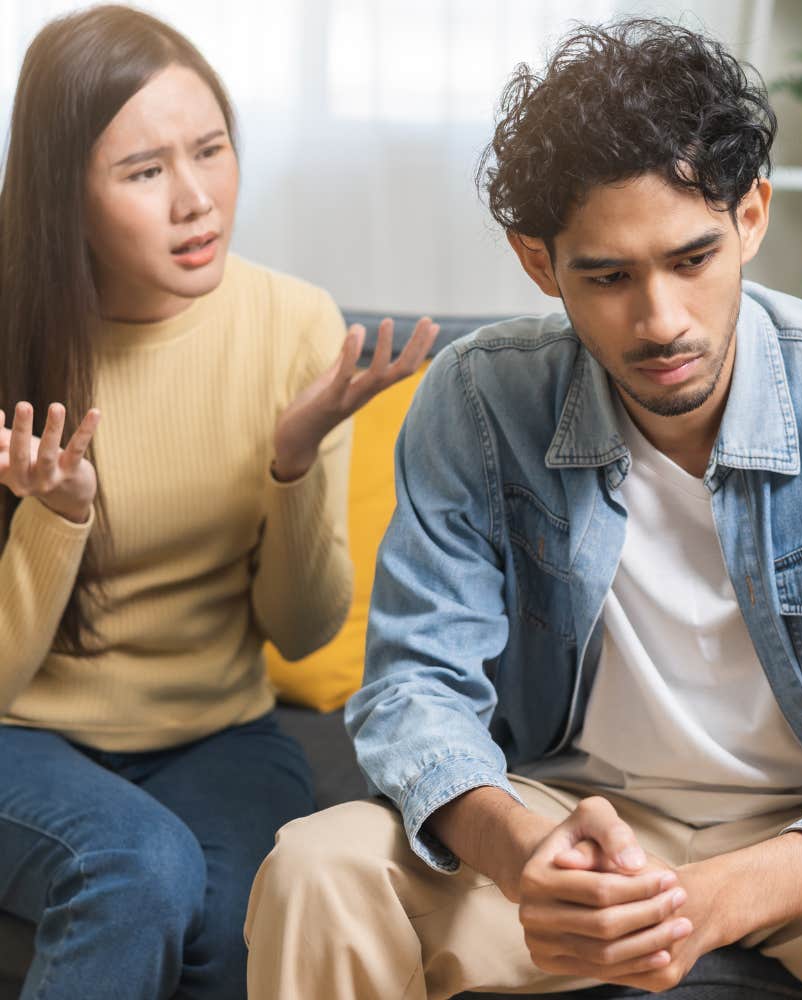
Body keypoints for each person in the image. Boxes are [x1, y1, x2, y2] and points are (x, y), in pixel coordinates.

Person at [244, 18, 802, 1000]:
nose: (659, 322)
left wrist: (724, 895)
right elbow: (415, 688)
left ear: (752, 217)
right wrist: (525, 851)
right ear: (538, 262)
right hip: (572, 819)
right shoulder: (479, 400)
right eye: (607, 277)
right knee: (321, 870)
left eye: (690, 259)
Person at [0, 6, 436, 1000]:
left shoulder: (293, 324)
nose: (196, 199)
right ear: (64, 192)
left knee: (249, 917)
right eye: (145, 171)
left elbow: (302, 625)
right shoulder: (11, 325)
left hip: (218, 733)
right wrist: (56, 517)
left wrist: (294, 460)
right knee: (135, 865)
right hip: (20, 732)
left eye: (211, 151)